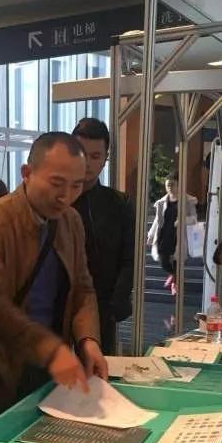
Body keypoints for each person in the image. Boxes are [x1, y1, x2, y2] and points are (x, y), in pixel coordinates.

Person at [0, 131, 107, 423]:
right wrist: (49, 349)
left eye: (76, 185)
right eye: (56, 183)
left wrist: (88, 340)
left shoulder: (70, 221)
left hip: (52, 368)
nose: (66, 196)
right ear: (27, 173)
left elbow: (83, 288)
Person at [72, 118, 135, 354]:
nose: (87, 163)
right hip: (57, 307)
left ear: (105, 158)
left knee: (99, 368)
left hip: (103, 307)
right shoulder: (57, 200)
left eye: (95, 156)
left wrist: (114, 304)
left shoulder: (118, 203)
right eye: (81, 154)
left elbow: (129, 259)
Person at [147, 172, 197, 296]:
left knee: (176, 261)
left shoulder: (188, 201)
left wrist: (182, 220)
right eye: (167, 185)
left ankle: (175, 283)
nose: (169, 187)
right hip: (163, 234)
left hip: (178, 235)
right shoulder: (162, 202)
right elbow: (157, 220)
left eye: (172, 184)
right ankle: (175, 276)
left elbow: (194, 219)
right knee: (163, 260)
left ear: (179, 185)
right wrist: (151, 235)